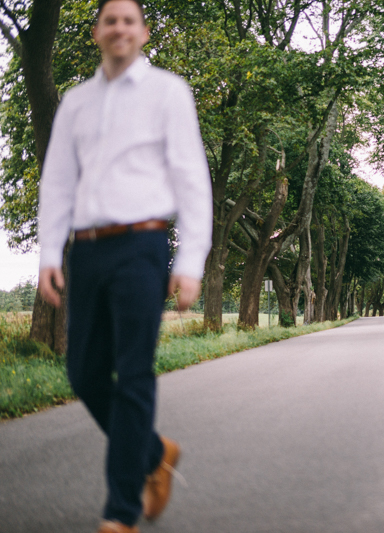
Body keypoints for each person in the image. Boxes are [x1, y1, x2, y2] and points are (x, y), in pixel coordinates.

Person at [37, 0, 212, 531]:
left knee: (133, 371)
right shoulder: (76, 102)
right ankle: (155, 451)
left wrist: (191, 261)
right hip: (87, 250)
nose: (118, 28)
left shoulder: (168, 92)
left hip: (143, 245)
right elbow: (59, 181)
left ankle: (121, 511)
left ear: (143, 32)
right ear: (96, 33)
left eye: (128, 21)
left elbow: (190, 178)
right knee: (85, 373)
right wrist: (48, 252)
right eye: (109, 20)